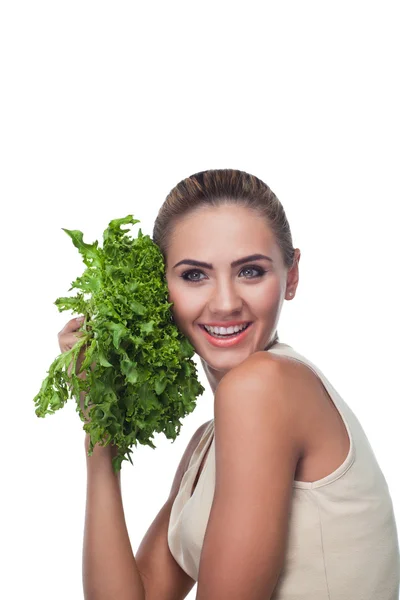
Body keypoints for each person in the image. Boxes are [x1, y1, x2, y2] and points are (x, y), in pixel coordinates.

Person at [58, 169, 400, 600]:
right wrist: (101, 429)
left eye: (251, 272)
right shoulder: (208, 442)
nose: (224, 303)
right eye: (194, 275)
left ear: (290, 277)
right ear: (157, 289)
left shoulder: (264, 387)